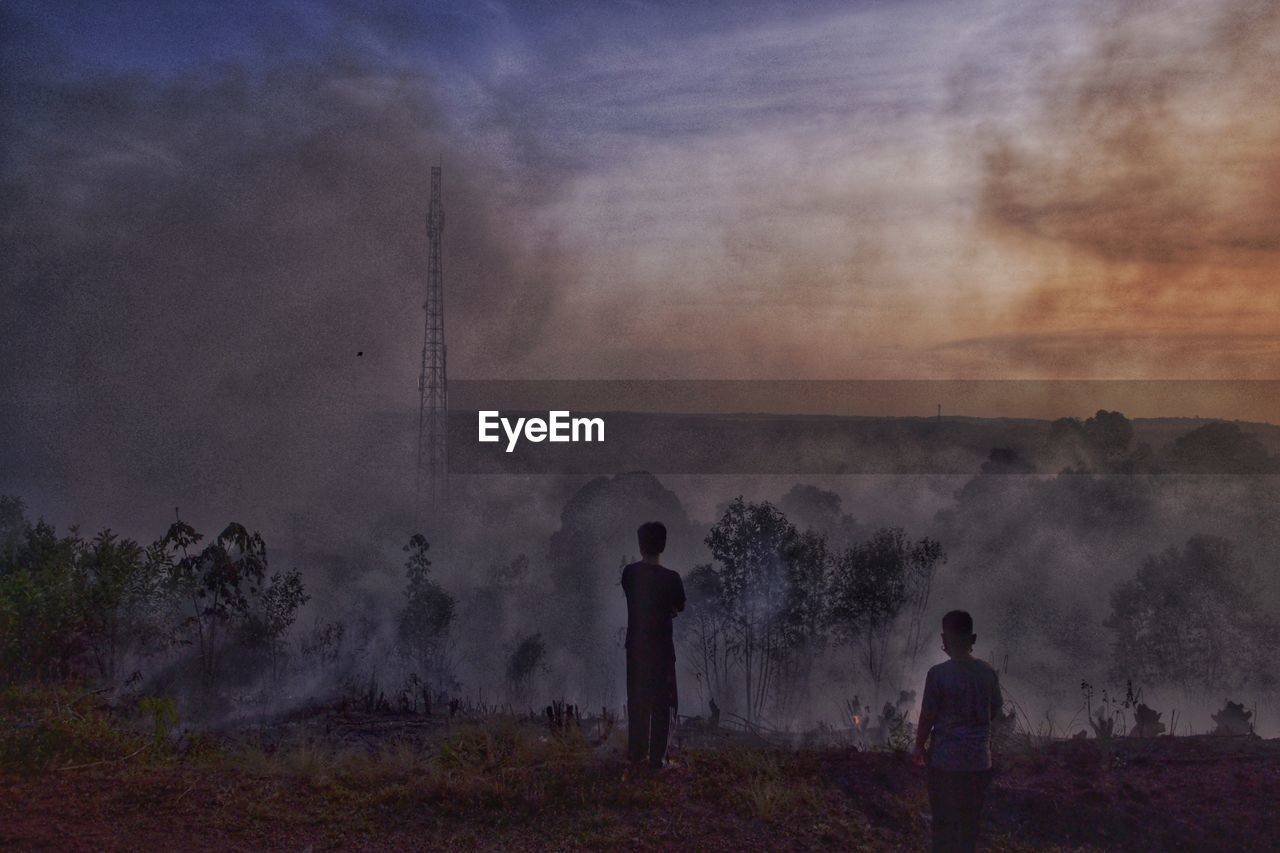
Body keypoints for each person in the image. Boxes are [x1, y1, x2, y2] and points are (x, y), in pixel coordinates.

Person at [914, 610, 1002, 853]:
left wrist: (919, 747)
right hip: (979, 764)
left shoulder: (938, 675)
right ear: (972, 639)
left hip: (945, 764)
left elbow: (927, 717)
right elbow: (994, 711)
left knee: (944, 828)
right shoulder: (987, 673)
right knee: (969, 828)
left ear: (945, 638)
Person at [621, 521, 686, 769]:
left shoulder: (630, 574)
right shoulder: (672, 579)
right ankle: (657, 759)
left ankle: (637, 755)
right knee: (662, 704)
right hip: (662, 650)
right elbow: (679, 605)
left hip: (636, 648)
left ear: (640, 545)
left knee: (637, 700)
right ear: (663, 545)